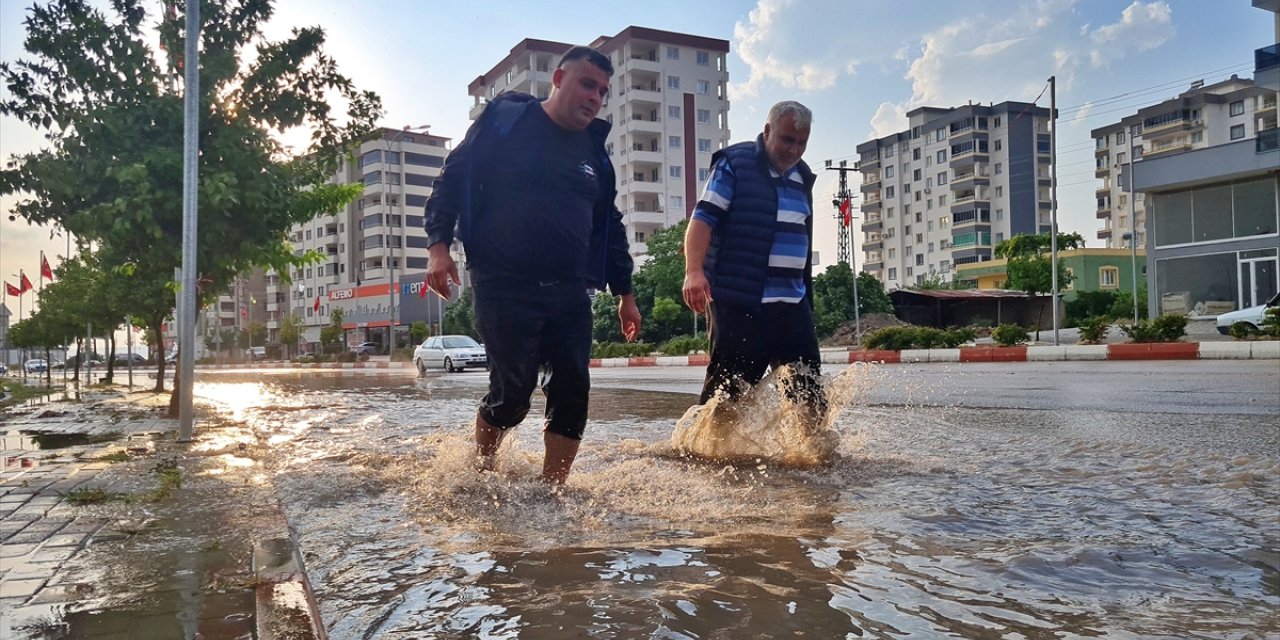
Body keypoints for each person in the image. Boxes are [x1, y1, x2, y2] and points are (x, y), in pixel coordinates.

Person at [424, 46, 641, 484]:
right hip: (503, 283)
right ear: (558, 80)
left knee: (573, 389)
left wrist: (626, 294)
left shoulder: (595, 156)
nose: (595, 97)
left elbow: (609, 226)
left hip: (569, 289)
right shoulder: (508, 122)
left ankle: (552, 492)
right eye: (586, 84)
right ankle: (482, 470)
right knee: (513, 396)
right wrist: (438, 247)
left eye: (602, 90)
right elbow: (453, 177)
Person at [681, 101, 827, 423]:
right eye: (787, 139)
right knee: (726, 399)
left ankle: (814, 462)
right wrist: (693, 271)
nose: (794, 149)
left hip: (792, 304)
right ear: (767, 131)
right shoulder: (736, 164)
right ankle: (704, 459)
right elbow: (703, 219)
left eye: (802, 142)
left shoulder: (803, 177)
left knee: (810, 396)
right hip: (742, 304)